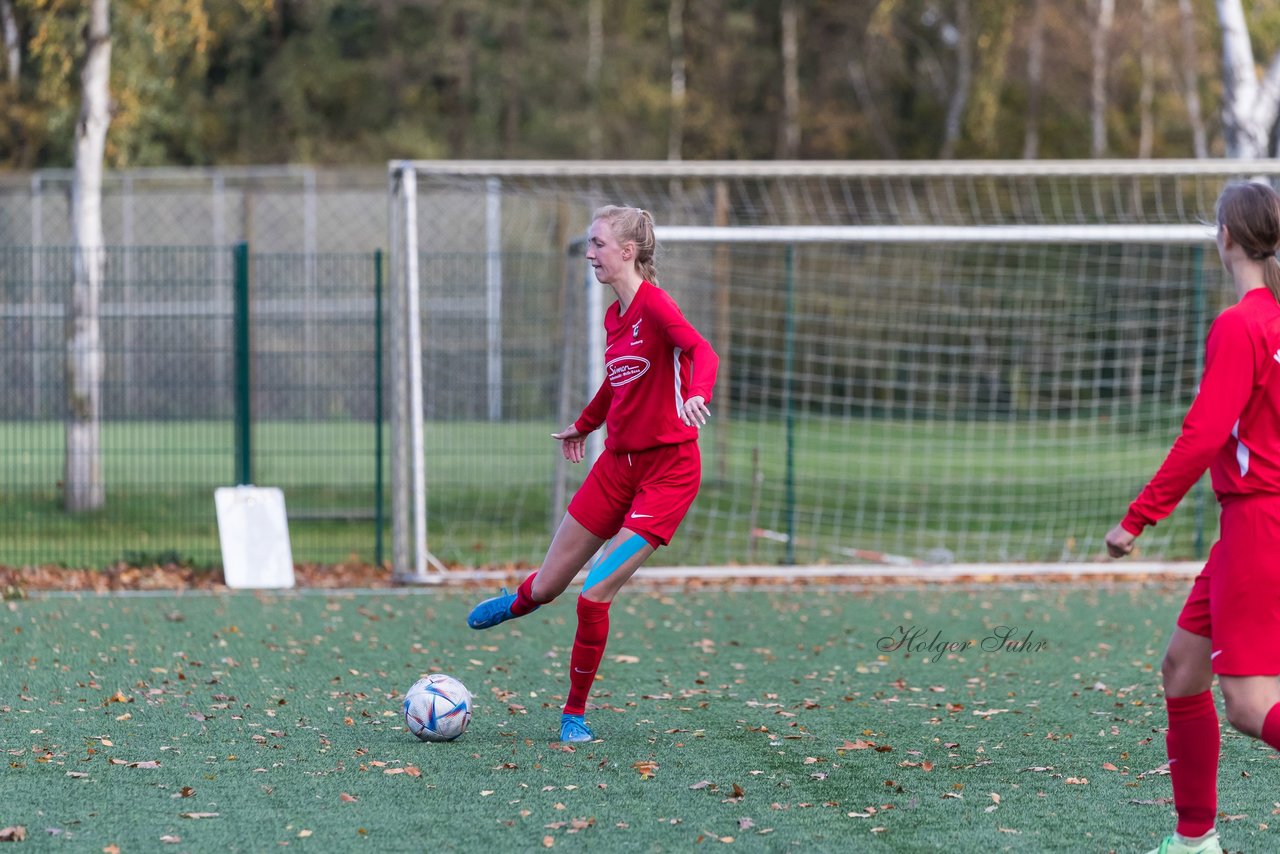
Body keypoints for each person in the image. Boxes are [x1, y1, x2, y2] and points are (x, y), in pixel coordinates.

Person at [466, 204, 719, 744]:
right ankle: (518, 601)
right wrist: (584, 426)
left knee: (594, 593)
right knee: (550, 586)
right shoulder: (614, 317)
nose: (589, 253)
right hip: (615, 468)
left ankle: (572, 715)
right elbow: (616, 383)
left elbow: (701, 349)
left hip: (669, 474)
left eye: (598, 244)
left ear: (627, 252)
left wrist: (698, 392)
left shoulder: (657, 306)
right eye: (590, 244)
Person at [1105, 181, 1280, 854]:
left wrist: (1136, 519)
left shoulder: (1241, 324)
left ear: (1226, 237)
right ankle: (1195, 841)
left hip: (1259, 527)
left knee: (1250, 706)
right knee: (1183, 670)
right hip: (1252, 530)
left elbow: (1204, 434)